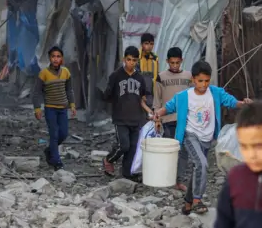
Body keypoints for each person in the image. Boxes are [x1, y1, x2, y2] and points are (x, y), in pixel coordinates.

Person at [154, 61, 251, 214]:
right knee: (202, 164)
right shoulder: (184, 96)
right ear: (193, 80)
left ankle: (187, 202)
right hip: (190, 135)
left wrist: (242, 104)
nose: (204, 84)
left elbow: (230, 101)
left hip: (207, 138)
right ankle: (198, 200)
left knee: (198, 168)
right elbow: (169, 107)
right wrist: (158, 114)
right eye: (200, 81)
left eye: (206, 81)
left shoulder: (215, 92)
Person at [103, 46, 153, 181]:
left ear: (137, 61)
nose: (131, 63)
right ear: (124, 59)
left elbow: (142, 100)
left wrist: (150, 112)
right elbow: (108, 95)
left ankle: (127, 173)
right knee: (123, 145)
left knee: (133, 147)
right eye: (129, 60)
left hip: (136, 118)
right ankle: (108, 159)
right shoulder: (116, 76)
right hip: (120, 118)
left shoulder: (140, 78)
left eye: (134, 60)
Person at [153, 46, 193, 191]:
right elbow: (157, 100)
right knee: (169, 150)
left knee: (183, 151)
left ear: (182, 61)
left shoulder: (189, 77)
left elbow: (194, 97)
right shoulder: (161, 77)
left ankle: (179, 180)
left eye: (177, 63)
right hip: (168, 120)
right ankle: (166, 178)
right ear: (167, 61)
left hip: (185, 119)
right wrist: (157, 119)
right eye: (172, 63)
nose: (175, 66)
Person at [32, 46, 76, 170]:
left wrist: (72, 105)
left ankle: (49, 150)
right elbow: (36, 92)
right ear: (49, 58)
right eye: (53, 56)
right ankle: (57, 162)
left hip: (63, 109)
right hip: (50, 109)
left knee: (64, 133)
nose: (56, 59)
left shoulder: (66, 72)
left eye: (58, 56)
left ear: (61, 59)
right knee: (54, 134)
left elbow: (69, 90)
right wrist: (37, 108)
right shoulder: (44, 74)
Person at [138, 33, 159, 110]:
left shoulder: (155, 59)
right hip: (139, 95)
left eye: (151, 44)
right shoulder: (136, 58)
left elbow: (156, 77)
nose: (149, 46)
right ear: (141, 44)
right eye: (146, 43)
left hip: (151, 96)